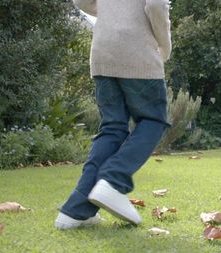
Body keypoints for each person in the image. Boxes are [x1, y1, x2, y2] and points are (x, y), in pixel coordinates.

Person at [54, 0, 172, 229]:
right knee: (153, 120)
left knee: (112, 127)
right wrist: (165, 47)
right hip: (137, 49)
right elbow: (157, 4)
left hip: (103, 49)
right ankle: (113, 180)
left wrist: (111, 13)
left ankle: (75, 211)